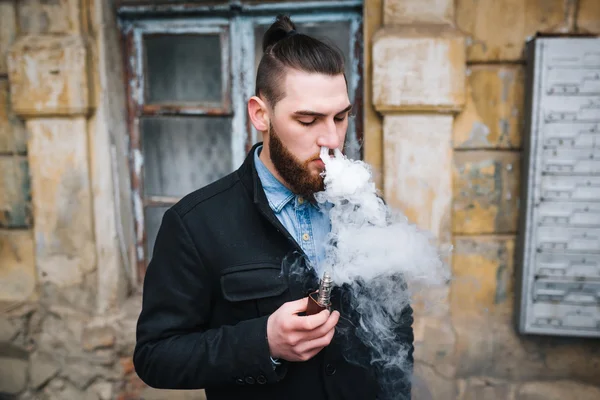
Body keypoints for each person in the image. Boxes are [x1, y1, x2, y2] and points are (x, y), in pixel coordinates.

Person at [133, 14, 414, 400]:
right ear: (260, 114)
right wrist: (261, 342)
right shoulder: (193, 223)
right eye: (308, 120)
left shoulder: (367, 208)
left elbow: (397, 325)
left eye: (341, 117)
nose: (332, 139)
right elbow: (155, 356)